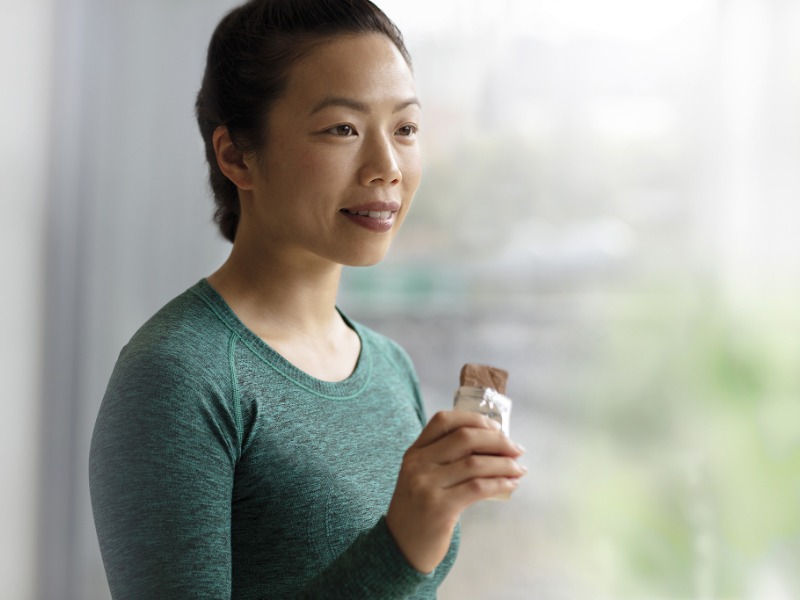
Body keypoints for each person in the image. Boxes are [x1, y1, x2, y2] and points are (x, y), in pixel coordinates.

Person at [88, 0, 527, 598]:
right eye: (342, 128)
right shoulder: (178, 377)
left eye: (405, 128)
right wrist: (402, 545)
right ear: (236, 155)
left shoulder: (388, 365)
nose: (387, 167)